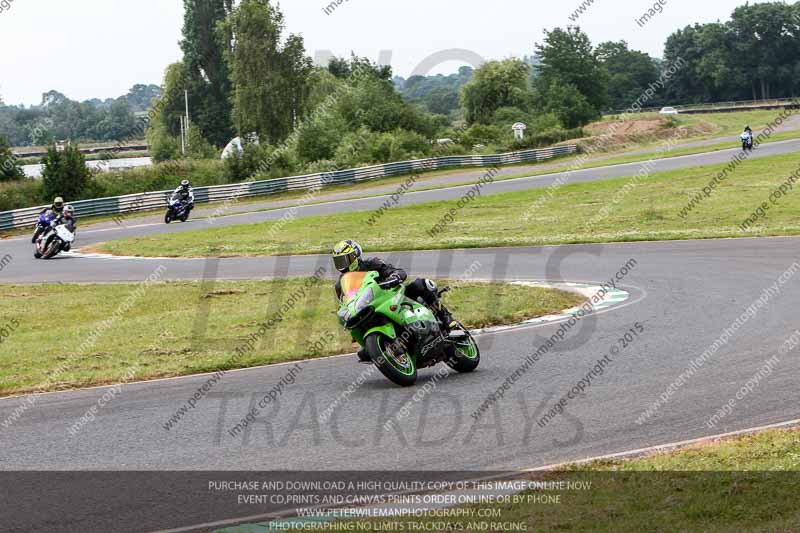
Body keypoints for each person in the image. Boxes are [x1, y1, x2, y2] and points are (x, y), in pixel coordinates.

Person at [333, 239, 455, 361]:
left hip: (392, 295)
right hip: (369, 308)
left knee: (420, 285)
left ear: (356, 255)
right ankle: (384, 346)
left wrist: (394, 277)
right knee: (363, 351)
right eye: (338, 262)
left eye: (345, 260)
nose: (342, 265)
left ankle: (445, 316)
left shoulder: (372, 264)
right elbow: (344, 302)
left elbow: (396, 271)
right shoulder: (341, 284)